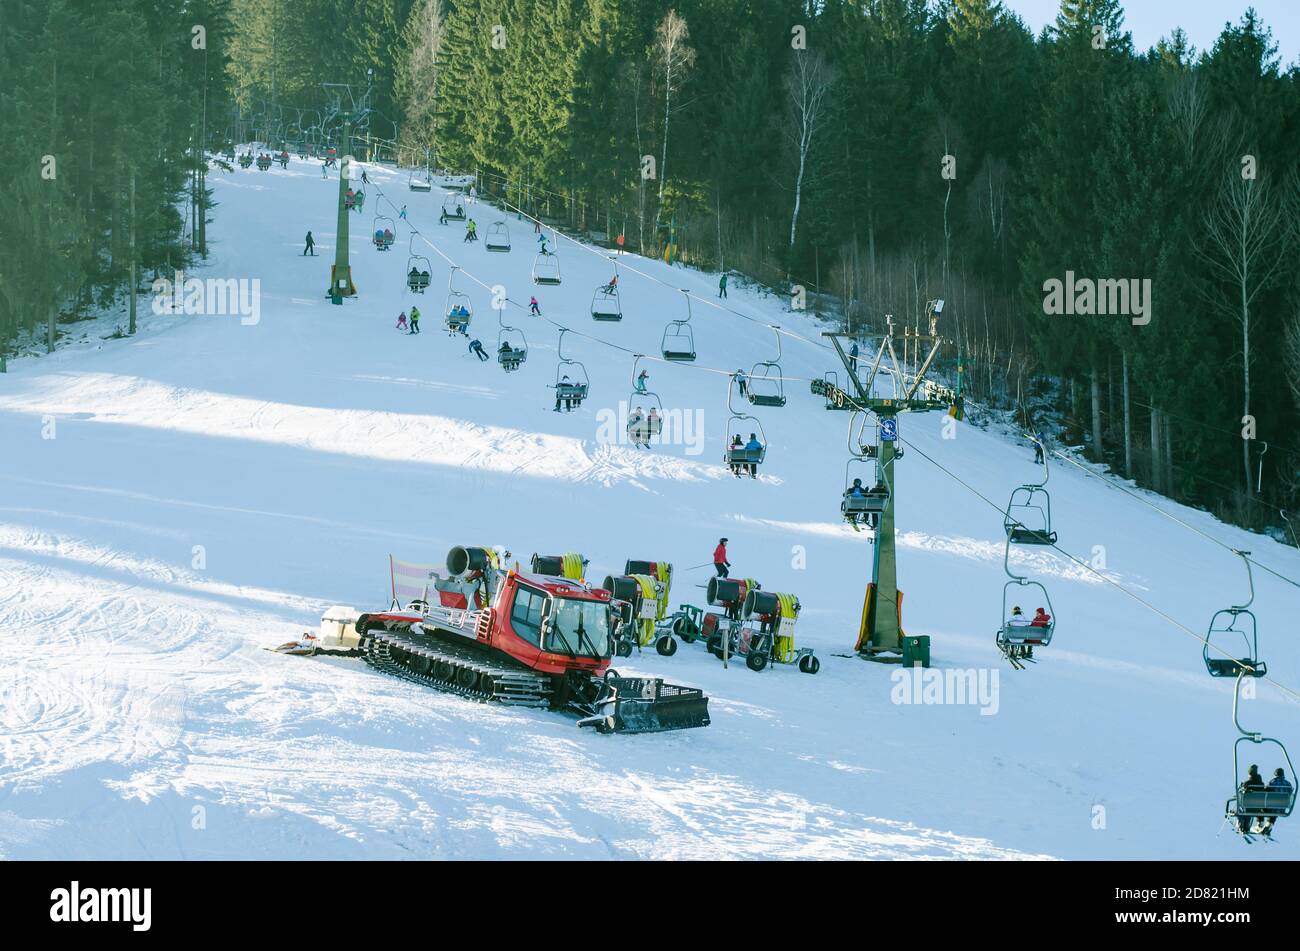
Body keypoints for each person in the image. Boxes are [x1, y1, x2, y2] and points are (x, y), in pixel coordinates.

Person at [1259, 768, 1293, 836]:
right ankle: (1269, 825)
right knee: (1275, 809)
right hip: (1282, 808)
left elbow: (1265, 791)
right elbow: (1290, 793)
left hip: (1271, 807)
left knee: (1261, 808)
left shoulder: (1272, 782)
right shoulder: (1288, 784)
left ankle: (1261, 823)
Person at [1239, 765, 1266, 834]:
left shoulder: (1247, 784)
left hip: (1248, 807)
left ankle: (1243, 825)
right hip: (1259, 807)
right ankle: (1247, 826)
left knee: (1242, 808)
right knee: (1250, 807)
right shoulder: (1262, 784)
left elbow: (1241, 792)